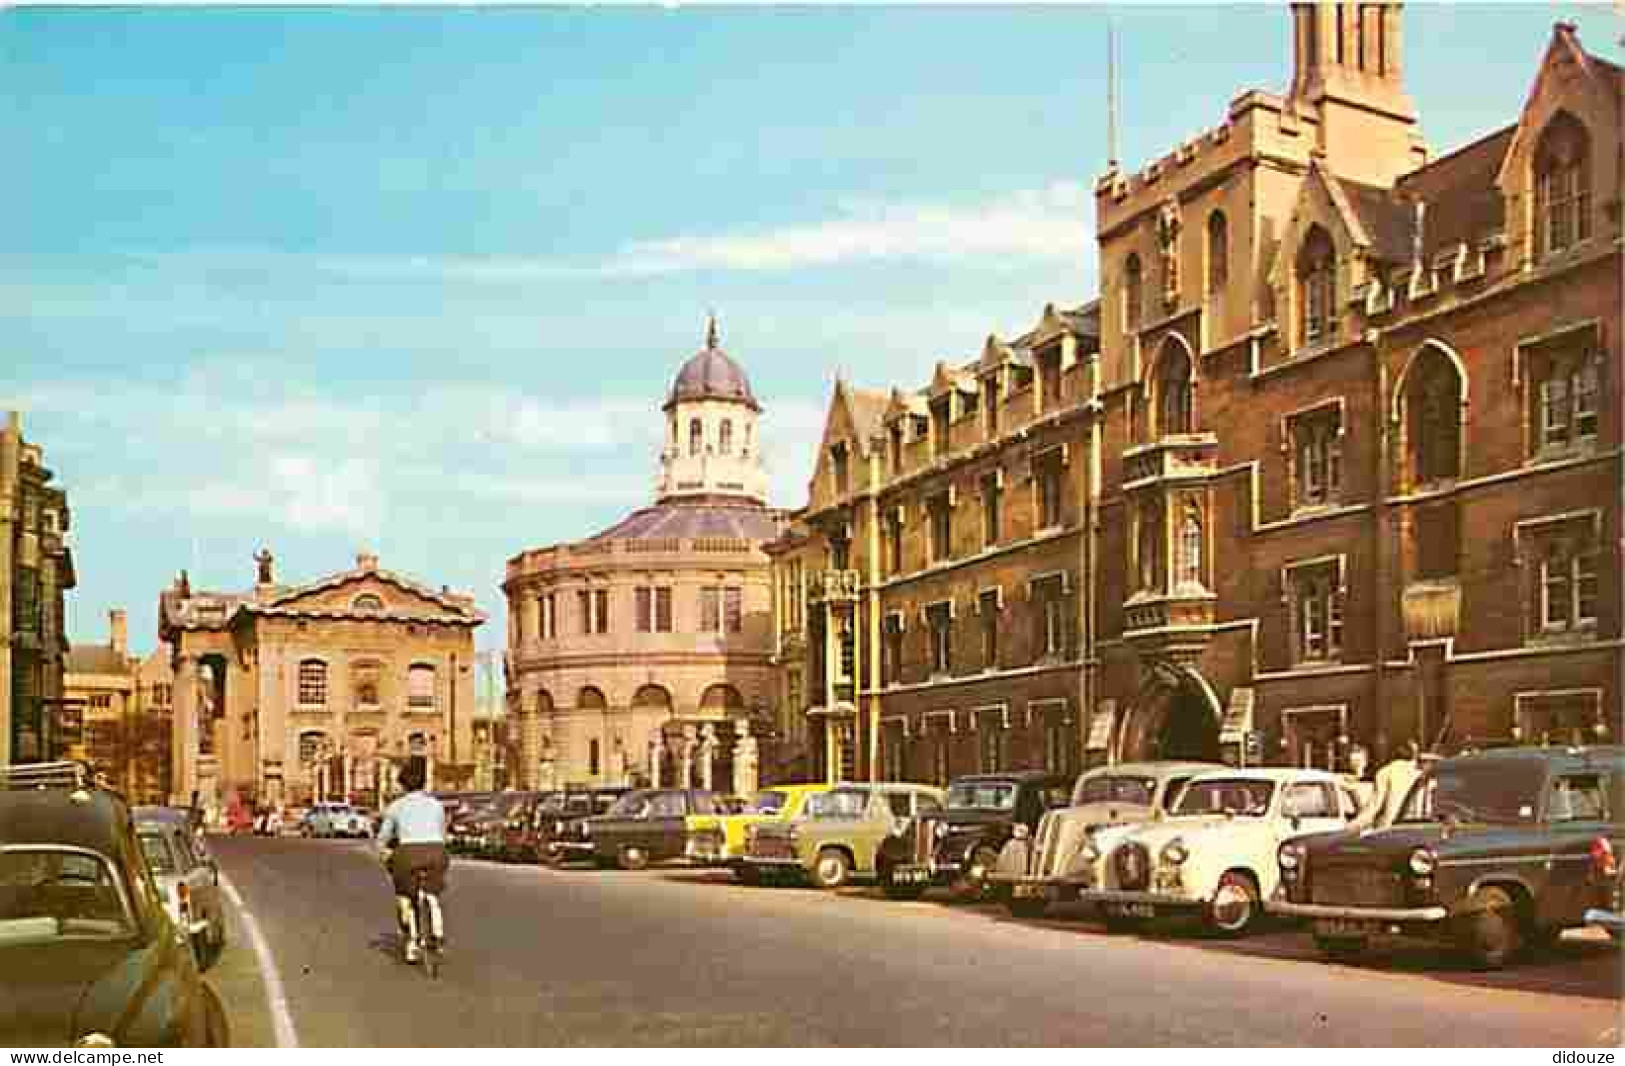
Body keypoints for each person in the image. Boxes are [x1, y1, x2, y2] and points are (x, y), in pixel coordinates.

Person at [375, 757, 447, 964]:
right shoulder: (436, 804)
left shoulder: (396, 806)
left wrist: (385, 854)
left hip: (407, 854)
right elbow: (442, 835)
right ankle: (435, 915)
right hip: (436, 852)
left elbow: (382, 839)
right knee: (432, 887)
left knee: (404, 895)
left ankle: (412, 942)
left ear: (402, 784)